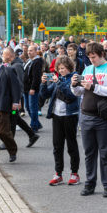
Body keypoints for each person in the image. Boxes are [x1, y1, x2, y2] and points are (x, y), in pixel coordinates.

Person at [71, 42, 107, 198]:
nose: (92, 60)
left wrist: (93, 87)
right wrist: (74, 85)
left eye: (94, 57)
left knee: (106, 154)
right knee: (89, 153)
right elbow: (79, 92)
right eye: (90, 58)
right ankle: (90, 184)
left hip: (104, 118)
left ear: (101, 55)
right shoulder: (87, 69)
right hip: (86, 116)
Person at [40, 56, 80, 186]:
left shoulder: (74, 78)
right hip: (57, 116)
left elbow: (70, 94)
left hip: (70, 115)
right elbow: (44, 94)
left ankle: (74, 174)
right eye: (59, 69)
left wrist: (58, 82)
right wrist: (43, 83)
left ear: (69, 68)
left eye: (63, 68)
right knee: (57, 146)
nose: (61, 71)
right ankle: (58, 173)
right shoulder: (58, 79)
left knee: (71, 145)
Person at [3, 47, 40, 147]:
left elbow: (20, 84)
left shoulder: (17, 66)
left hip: (15, 100)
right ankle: (32, 135)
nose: (2, 56)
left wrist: (17, 100)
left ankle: (9, 143)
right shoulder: (13, 64)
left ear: (10, 56)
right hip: (13, 99)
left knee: (13, 119)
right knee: (15, 118)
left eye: (4, 54)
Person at [24, 45, 44, 132]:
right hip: (25, 88)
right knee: (27, 107)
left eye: (31, 50)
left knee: (33, 108)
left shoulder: (37, 61)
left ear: (36, 51)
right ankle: (37, 124)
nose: (29, 52)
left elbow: (36, 77)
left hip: (32, 89)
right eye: (28, 50)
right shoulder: (29, 61)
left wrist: (33, 88)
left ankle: (34, 126)